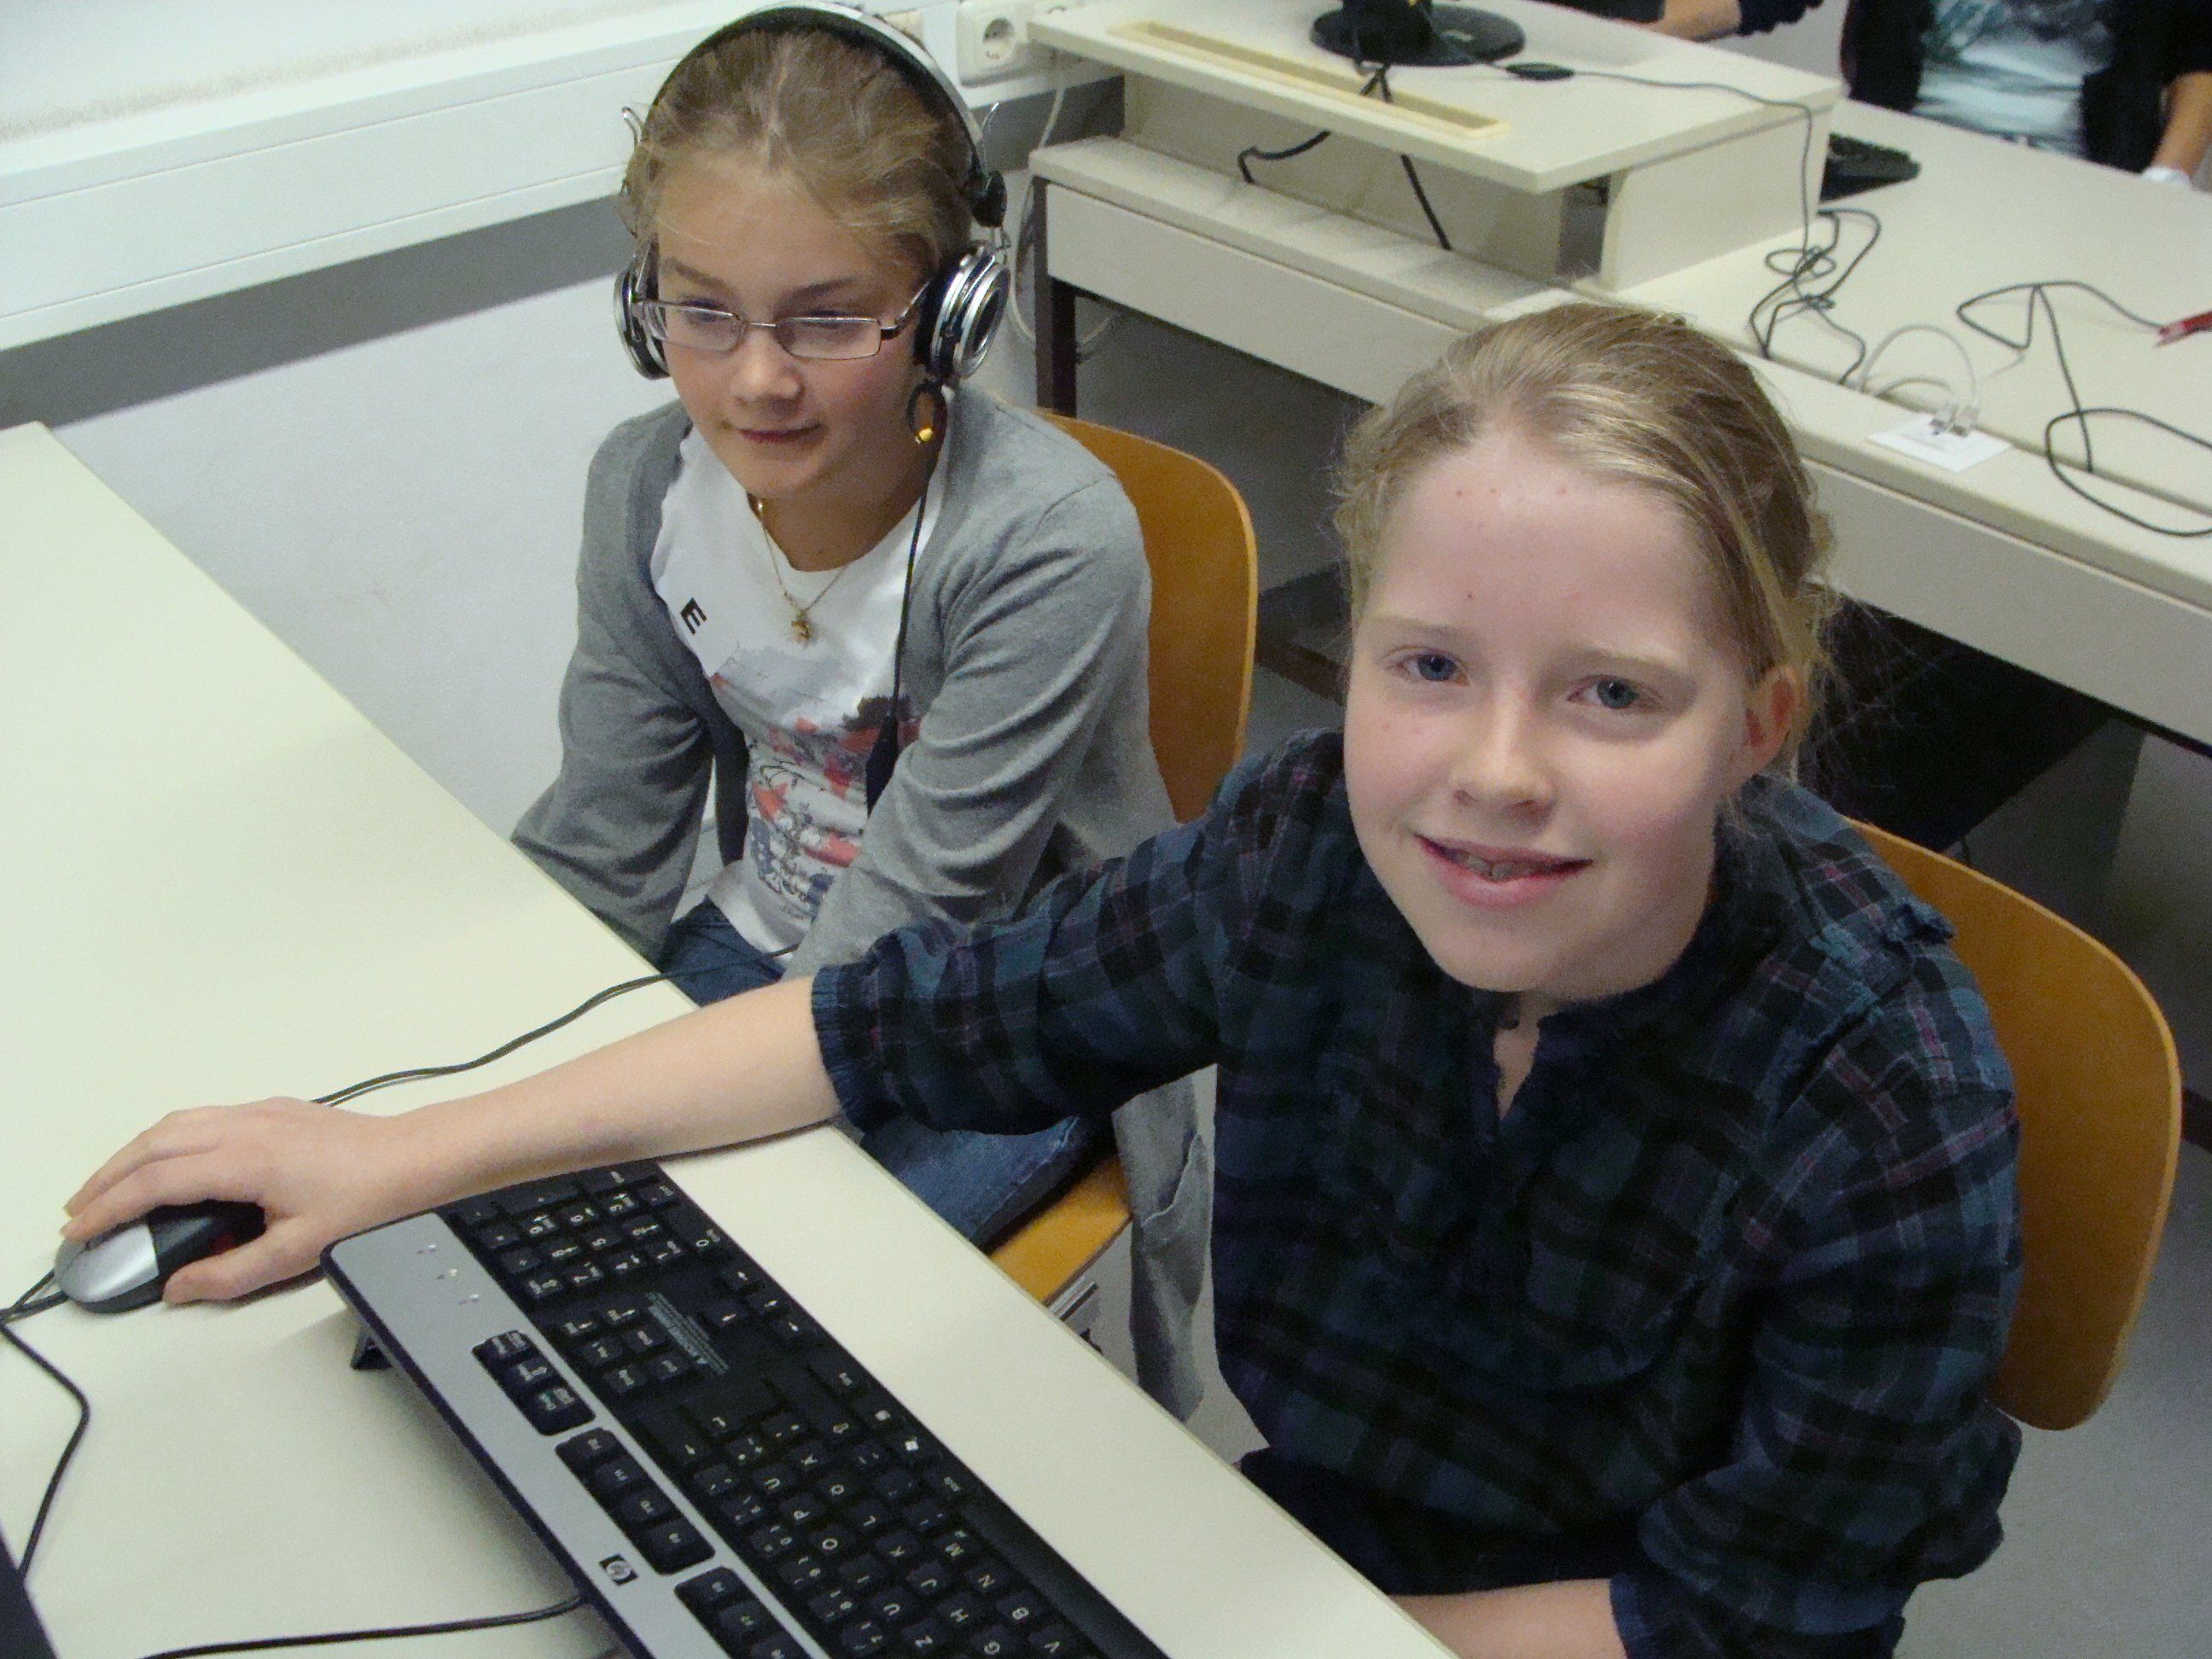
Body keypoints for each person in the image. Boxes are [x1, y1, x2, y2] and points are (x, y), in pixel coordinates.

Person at [67, 304, 2022, 1657]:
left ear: (1757, 727)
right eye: (1429, 666)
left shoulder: (1884, 1098)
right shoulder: (1310, 857)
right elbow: (896, 1022)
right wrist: (400, 1155)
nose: (1495, 771)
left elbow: (1736, 1618)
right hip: (1301, 1561)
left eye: (1611, 694)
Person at [501, 6, 1208, 1408]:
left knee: (746, 1323)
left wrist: (659, 1117)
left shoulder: (1042, 541)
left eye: (827, 318)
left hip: (996, 1006)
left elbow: (912, 927)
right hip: (770, 944)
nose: (757, 378)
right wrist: (479, 1071)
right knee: (531, 1230)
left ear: (951, 309)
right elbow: (602, 835)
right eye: (702, 311)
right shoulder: (646, 490)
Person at [1646, 0, 2212, 183]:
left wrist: (2165, 180)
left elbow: (2199, 62)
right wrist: (1626, 27)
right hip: (1904, 153)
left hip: (2080, 172)